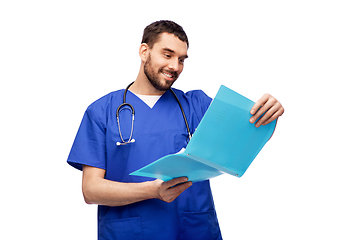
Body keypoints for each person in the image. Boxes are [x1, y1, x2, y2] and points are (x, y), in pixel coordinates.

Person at [67, 20, 284, 240]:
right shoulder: (101, 111)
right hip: (130, 233)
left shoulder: (196, 105)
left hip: (194, 230)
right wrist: (152, 191)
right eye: (167, 54)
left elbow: (247, 140)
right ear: (144, 51)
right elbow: (91, 190)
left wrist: (268, 115)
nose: (175, 66)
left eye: (181, 59)